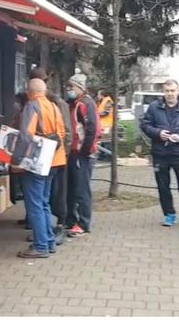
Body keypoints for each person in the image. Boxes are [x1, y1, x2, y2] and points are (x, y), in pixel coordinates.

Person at [140, 79, 179, 228]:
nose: (170, 94)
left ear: (178, 90)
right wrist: (158, 133)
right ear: (164, 92)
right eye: (167, 91)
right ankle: (169, 214)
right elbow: (145, 125)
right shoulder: (154, 107)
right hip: (160, 153)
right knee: (163, 186)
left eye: (173, 90)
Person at [16, 78, 68, 259]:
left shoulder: (32, 106)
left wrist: (18, 160)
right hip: (55, 159)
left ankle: (40, 246)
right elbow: (62, 133)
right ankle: (49, 241)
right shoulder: (54, 106)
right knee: (44, 202)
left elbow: (25, 136)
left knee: (35, 204)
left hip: (38, 162)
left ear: (28, 92)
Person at [29, 67, 71, 238]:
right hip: (52, 155)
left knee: (50, 197)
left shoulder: (55, 103)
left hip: (51, 157)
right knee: (44, 199)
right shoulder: (45, 102)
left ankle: (57, 227)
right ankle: (46, 234)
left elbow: (66, 132)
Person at [64, 74, 100, 237]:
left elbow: (92, 129)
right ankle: (71, 220)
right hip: (74, 152)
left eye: (72, 87)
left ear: (80, 87)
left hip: (83, 154)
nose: (69, 90)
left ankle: (84, 223)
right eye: (68, 87)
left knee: (82, 189)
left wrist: (85, 151)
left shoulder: (86, 104)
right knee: (72, 188)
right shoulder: (74, 103)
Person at [96, 88, 116, 160]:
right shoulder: (104, 101)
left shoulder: (107, 101)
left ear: (102, 95)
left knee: (107, 141)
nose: (97, 96)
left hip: (107, 125)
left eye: (98, 94)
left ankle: (109, 156)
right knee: (104, 141)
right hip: (104, 125)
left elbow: (106, 112)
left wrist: (96, 115)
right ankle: (103, 155)